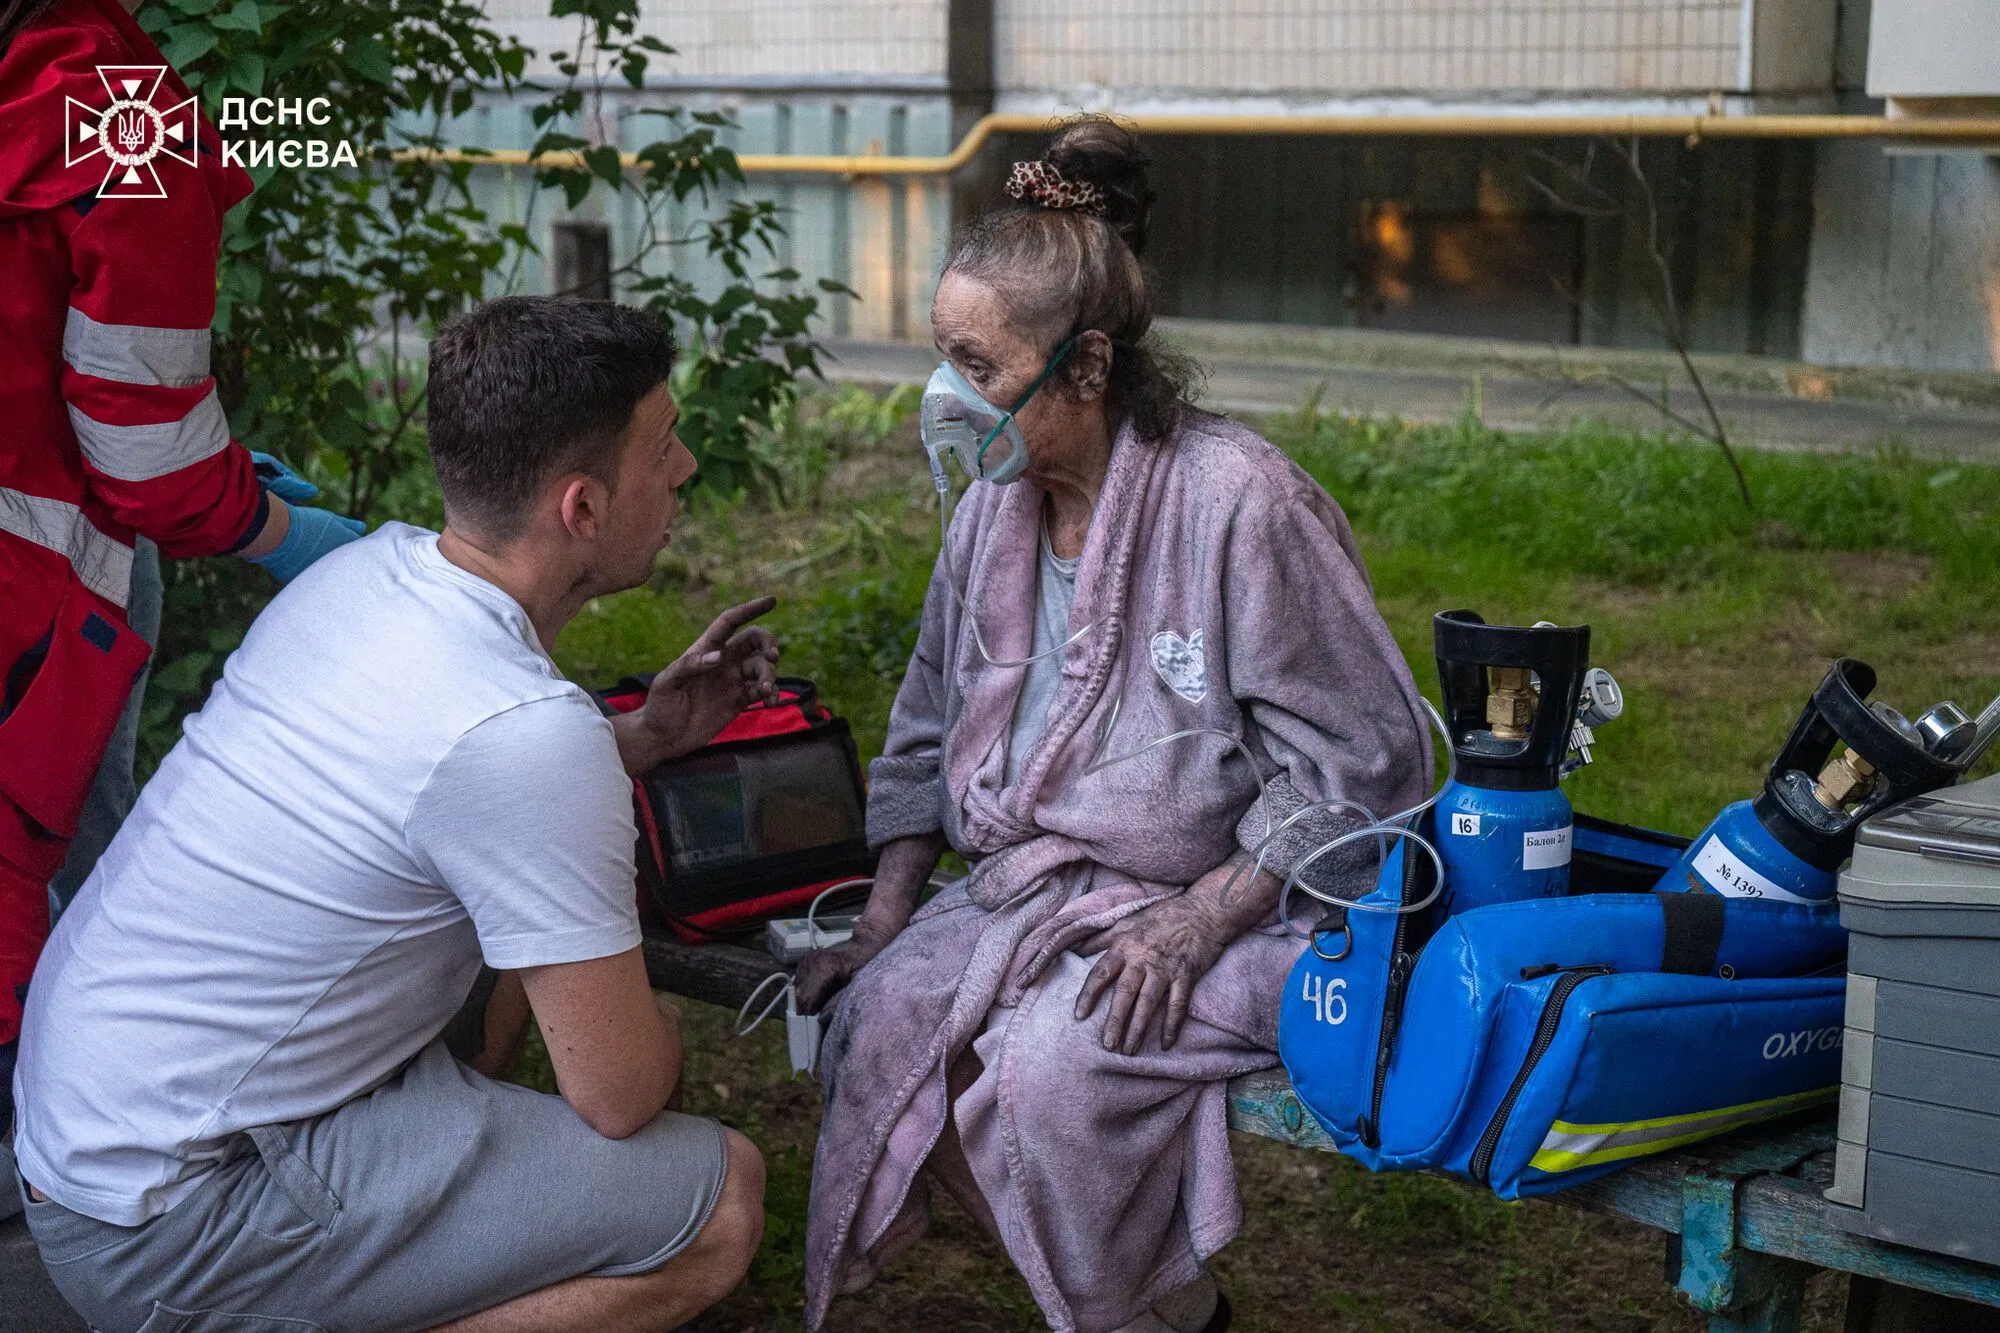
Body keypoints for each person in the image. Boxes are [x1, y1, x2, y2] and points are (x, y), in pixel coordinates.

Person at [11, 297, 776, 1332]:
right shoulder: (522, 734)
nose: (682, 466)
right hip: (172, 1216)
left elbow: (457, 769)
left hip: (89, 1129)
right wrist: (648, 1012)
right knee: (718, 1200)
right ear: (582, 508)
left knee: (505, 936)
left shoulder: (367, 575)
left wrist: (635, 740)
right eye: (663, 444)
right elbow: (622, 1094)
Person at [792, 118, 1433, 1333]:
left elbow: (1367, 759)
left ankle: (1158, 1315)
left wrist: (1197, 920)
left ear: (1084, 368)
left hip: (1239, 901)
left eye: (976, 366)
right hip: (1041, 891)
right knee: (879, 1029)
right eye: (941, 356)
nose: (944, 397)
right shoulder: (988, 511)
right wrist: (884, 919)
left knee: (1049, 1071)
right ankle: (1143, 1311)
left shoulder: (1238, 501)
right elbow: (925, 727)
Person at [0, 0, 365, 1168]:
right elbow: (147, 462)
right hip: (33, 612)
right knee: (48, 895)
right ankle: (75, 1178)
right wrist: (271, 528)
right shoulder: (119, 121)